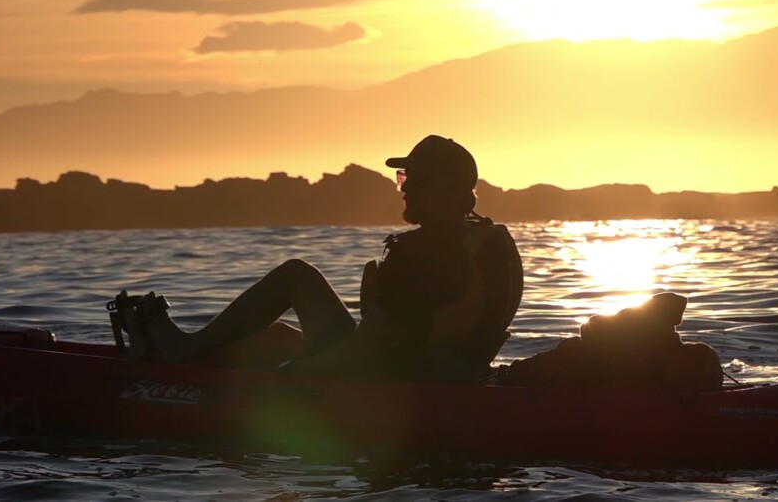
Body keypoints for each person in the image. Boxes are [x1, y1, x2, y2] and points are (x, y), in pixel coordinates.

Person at [127, 135, 523, 382]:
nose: (405, 189)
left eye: (415, 180)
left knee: (296, 276)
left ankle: (182, 355)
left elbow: (365, 348)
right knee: (279, 339)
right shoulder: (487, 241)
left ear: (449, 190)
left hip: (395, 382)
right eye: (403, 178)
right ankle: (194, 360)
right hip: (452, 374)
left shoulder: (422, 254)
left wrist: (291, 378)